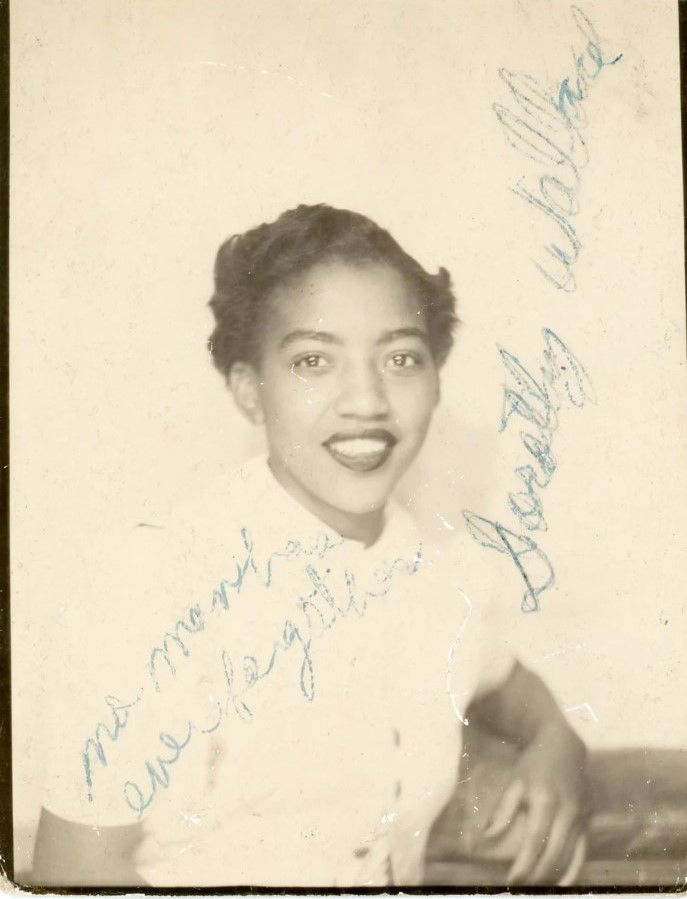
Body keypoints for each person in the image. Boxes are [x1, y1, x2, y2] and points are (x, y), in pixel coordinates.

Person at [32, 204, 589, 888]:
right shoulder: (153, 583)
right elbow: (74, 877)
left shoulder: (444, 576)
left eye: (401, 357)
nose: (366, 399)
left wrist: (558, 743)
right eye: (312, 360)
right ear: (248, 389)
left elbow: (506, 682)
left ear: (436, 379)